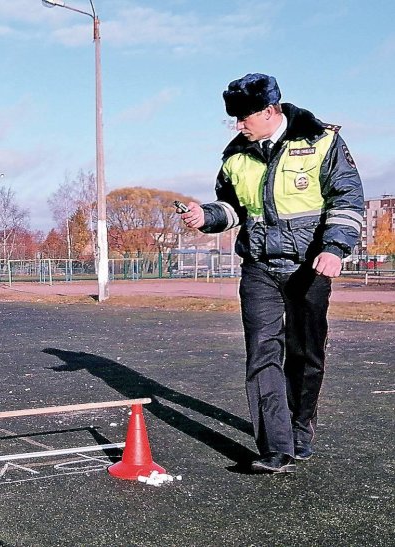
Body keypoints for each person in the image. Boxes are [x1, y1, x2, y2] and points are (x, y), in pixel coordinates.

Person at [180, 73, 364, 473]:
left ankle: (300, 431)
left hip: (309, 266)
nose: (238, 124)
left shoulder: (322, 141)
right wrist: (204, 216)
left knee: (304, 353)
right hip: (260, 268)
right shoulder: (235, 156)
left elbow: (347, 197)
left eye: (245, 116)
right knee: (262, 354)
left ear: (269, 110)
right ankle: (275, 447)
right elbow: (231, 209)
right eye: (235, 118)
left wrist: (335, 249)